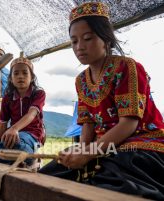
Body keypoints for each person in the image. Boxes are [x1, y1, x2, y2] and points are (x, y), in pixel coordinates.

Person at [39, 2, 164, 200]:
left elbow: (129, 124)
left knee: (112, 185)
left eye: (87, 38)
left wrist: (89, 153)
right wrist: (81, 151)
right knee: (49, 176)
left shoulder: (128, 67)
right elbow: (88, 124)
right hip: (104, 146)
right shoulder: (81, 80)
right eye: (74, 41)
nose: (79, 47)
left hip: (139, 143)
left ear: (106, 39)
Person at [0, 53, 46, 166]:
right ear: (11, 79)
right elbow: (3, 125)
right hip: (12, 135)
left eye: (25, 73)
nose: (20, 76)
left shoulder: (38, 94)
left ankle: (28, 157)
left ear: (31, 77)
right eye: (16, 73)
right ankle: (20, 160)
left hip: (33, 135)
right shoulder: (7, 98)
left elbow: (31, 114)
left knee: (18, 143)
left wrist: (14, 128)